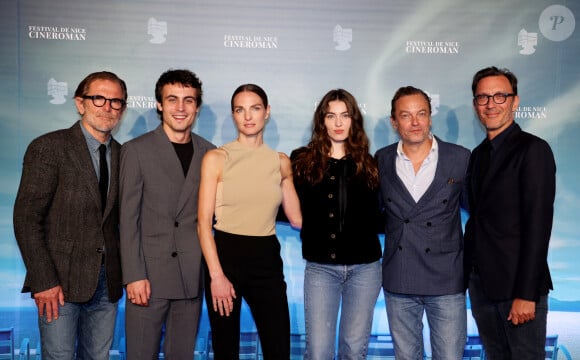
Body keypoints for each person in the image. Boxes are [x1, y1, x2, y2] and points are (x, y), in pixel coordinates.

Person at [13, 71, 127, 360]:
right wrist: (43, 280)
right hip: (58, 284)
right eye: (98, 98)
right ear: (80, 103)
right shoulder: (49, 148)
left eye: (116, 101)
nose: (107, 107)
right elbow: (27, 219)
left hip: (107, 285)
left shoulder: (125, 155)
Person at [198, 84, 302, 359]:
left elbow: (296, 218)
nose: (248, 116)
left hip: (266, 258)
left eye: (255, 108)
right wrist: (216, 275)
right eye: (240, 110)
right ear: (233, 115)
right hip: (225, 258)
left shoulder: (280, 161)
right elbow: (203, 223)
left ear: (266, 112)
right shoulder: (216, 158)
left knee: (278, 347)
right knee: (226, 349)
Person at [119, 69, 215, 359]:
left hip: (191, 278)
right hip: (148, 280)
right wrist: (134, 275)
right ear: (159, 104)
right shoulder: (135, 151)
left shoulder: (210, 153)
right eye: (172, 99)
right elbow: (127, 219)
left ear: (197, 107)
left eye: (188, 100)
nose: (181, 107)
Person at [465, 66, 556, 359]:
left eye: (500, 96)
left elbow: (538, 226)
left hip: (519, 290)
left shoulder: (533, 150)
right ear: (475, 104)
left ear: (515, 101)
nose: (491, 104)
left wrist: (526, 294)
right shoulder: (477, 155)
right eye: (483, 97)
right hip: (482, 288)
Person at [375, 86, 470, 359]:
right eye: (406, 115)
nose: (415, 122)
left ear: (430, 118)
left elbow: (476, 209)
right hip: (399, 277)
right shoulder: (381, 159)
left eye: (421, 114)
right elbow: (373, 215)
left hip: (447, 279)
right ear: (394, 121)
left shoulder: (460, 157)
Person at [291, 89, 382, 359]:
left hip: (365, 270)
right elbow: (285, 205)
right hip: (321, 269)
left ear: (354, 120)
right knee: (318, 352)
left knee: (354, 350)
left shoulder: (371, 163)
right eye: (331, 116)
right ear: (322, 121)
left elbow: (383, 214)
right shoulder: (302, 161)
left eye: (345, 115)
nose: (338, 123)